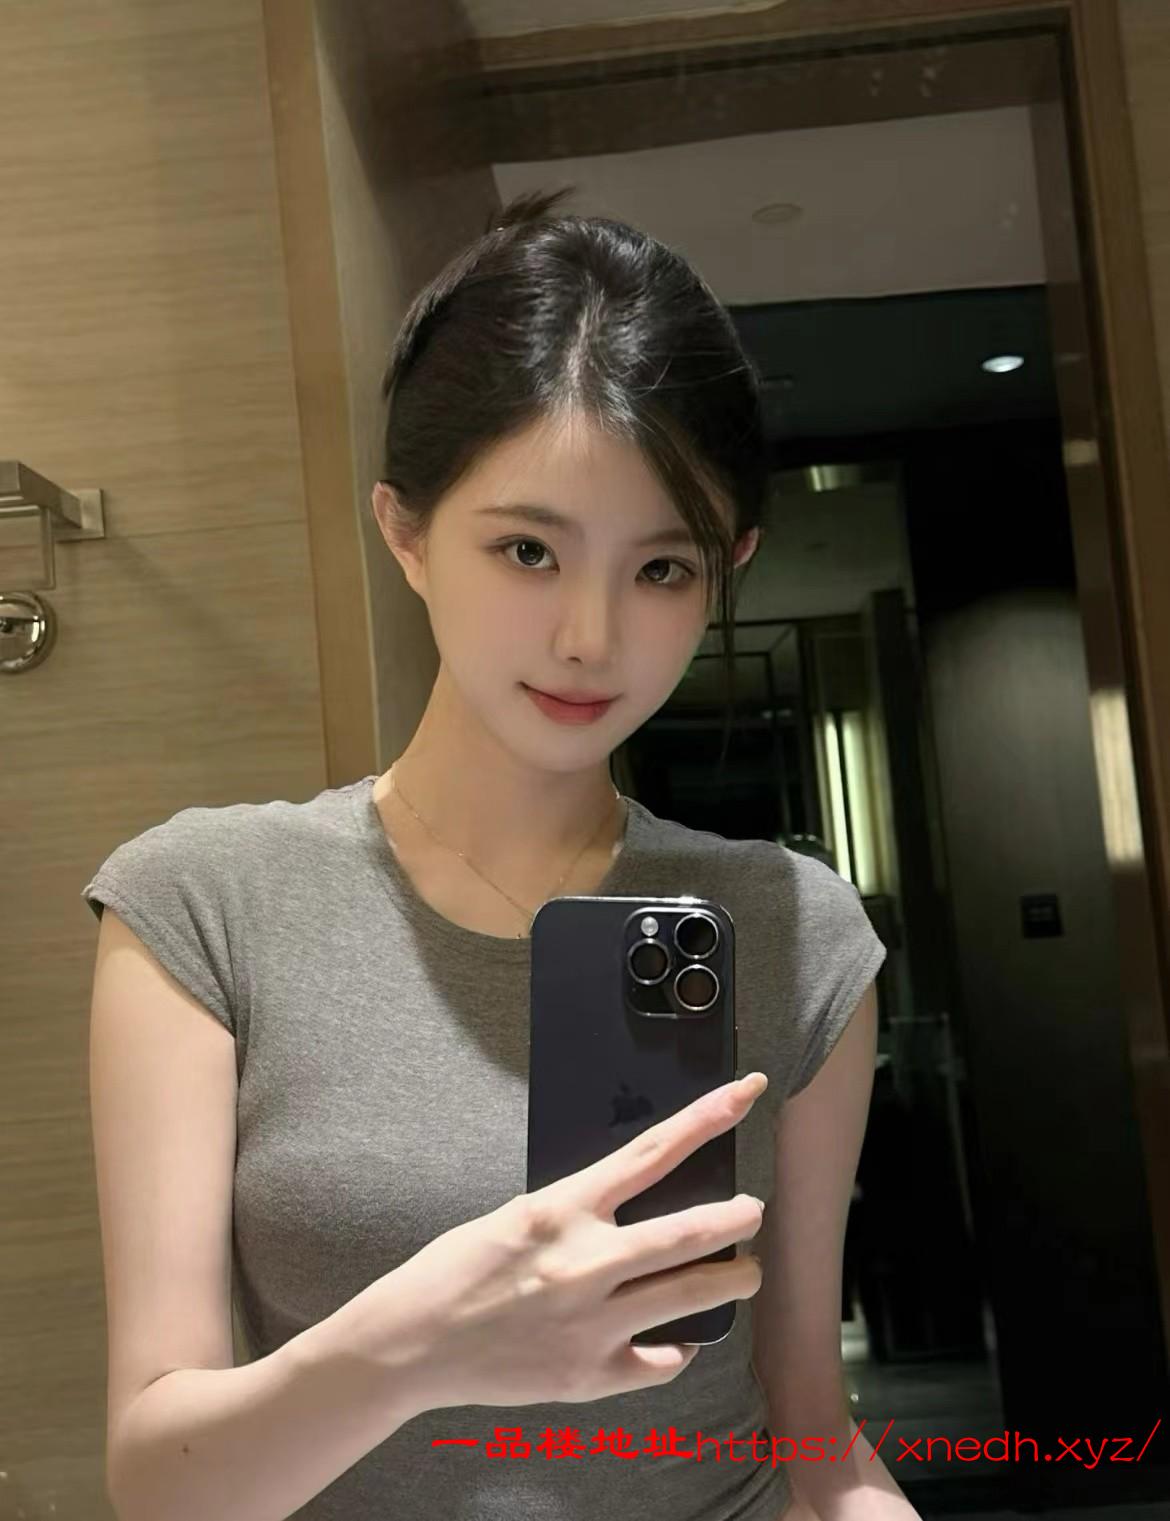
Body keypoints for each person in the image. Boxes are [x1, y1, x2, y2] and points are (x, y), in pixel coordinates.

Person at [83, 189, 900, 1521]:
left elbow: (811, 1428)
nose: (590, 636)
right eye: (528, 549)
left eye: (663, 569)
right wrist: (417, 1346)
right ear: (403, 529)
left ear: (730, 563)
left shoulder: (792, 926)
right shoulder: (205, 907)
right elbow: (160, 1485)